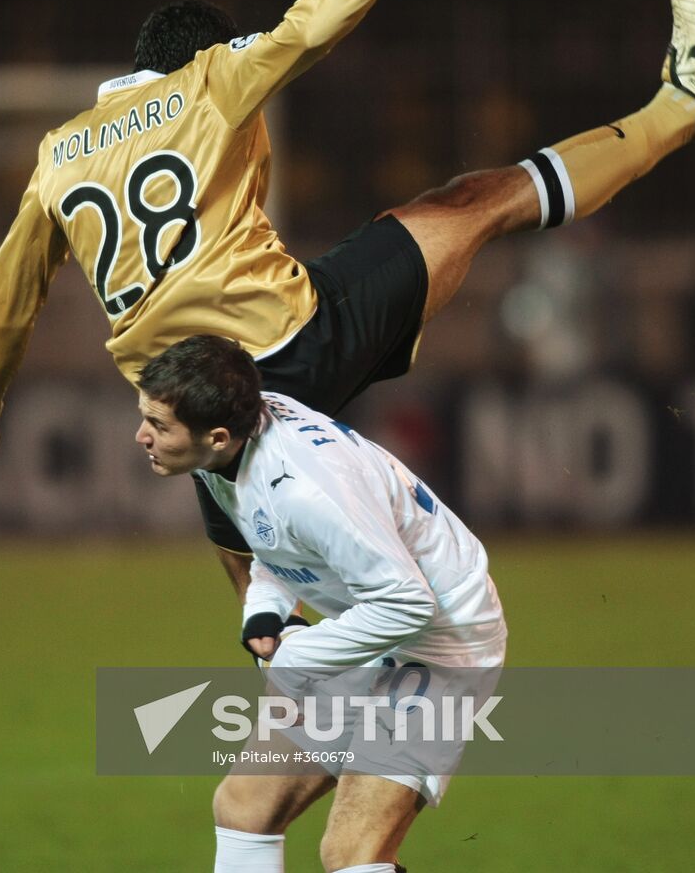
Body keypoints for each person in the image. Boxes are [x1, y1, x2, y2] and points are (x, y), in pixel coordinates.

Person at [0, 0, 695, 606]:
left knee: (257, 591)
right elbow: (312, 26)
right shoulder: (210, 82)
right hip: (293, 341)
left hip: (191, 402)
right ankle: (685, 104)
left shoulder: (59, 154)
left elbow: (8, 299)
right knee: (474, 204)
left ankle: (309, 700)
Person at [135, 334, 507, 873]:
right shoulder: (234, 441)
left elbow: (407, 602)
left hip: (440, 641)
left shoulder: (308, 490)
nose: (142, 435)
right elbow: (280, 543)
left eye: (158, 425)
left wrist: (295, 657)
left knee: (351, 853)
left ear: (216, 437)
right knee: (245, 808)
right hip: (367, 622)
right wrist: (265, 609)